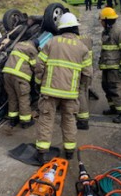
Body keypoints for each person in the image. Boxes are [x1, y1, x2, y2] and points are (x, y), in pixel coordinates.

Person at [34, 12, 92, 164]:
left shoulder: (52, 42)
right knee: (69, 121)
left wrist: (38, 81)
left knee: (46, 120)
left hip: (49, 91)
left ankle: (41, 153)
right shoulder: (82, 48)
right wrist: (80, 88)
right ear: (75, 28)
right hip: (70, 94)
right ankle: (69, 152)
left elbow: (39, 64)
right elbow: (87, 73)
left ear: (61, 28)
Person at [99, 7, 121, 123]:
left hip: (115, 67)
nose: (100, 22)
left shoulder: (119, 32)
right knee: (106, 86)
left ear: (107, 20)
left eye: (101, 20)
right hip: (107, 66)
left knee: (115, 89)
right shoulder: (107, 31)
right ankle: (114, 108)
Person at [2, 38, 39, 129]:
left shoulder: (18, 44)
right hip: (20, 76)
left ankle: (13, 119)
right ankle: (25, 121)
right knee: (23, 97)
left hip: (7, 73)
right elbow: (36, 66)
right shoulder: (32, 49)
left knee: (12, 97)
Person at [77, 30, 93, 130]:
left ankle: (83, 121)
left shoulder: (75, 41)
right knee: (84, 91)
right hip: (87, 70)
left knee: (80, 92)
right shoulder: (87, 37)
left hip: (81, 70)